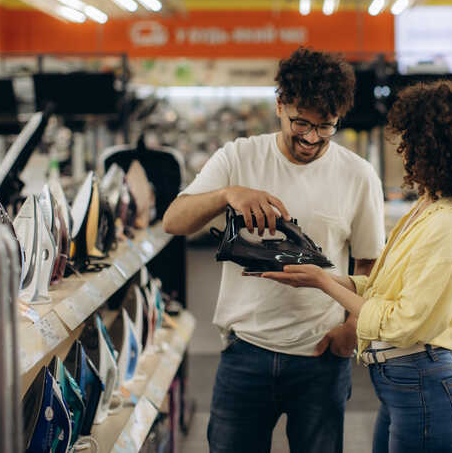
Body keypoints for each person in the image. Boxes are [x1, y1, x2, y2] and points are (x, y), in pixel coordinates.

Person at [264, 80, 452, 453]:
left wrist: (323, 283)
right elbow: (385, 287)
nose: (403, 149)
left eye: (411, 140)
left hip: (426, 389)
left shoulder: (450, 224)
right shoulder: (427, 207)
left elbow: (402, 322)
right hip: (404, 387)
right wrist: (324, 279)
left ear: (436, 148)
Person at [163, 47, 385, 453]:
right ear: (280, 105)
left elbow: (369, 264)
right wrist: (228, 194)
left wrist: (351, 332)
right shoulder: (239, 157)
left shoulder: (358, 175)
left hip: (322, 355)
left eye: (326, 127)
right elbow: (174, 221)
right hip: (245, 352)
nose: (311, 138)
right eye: (301, 122)